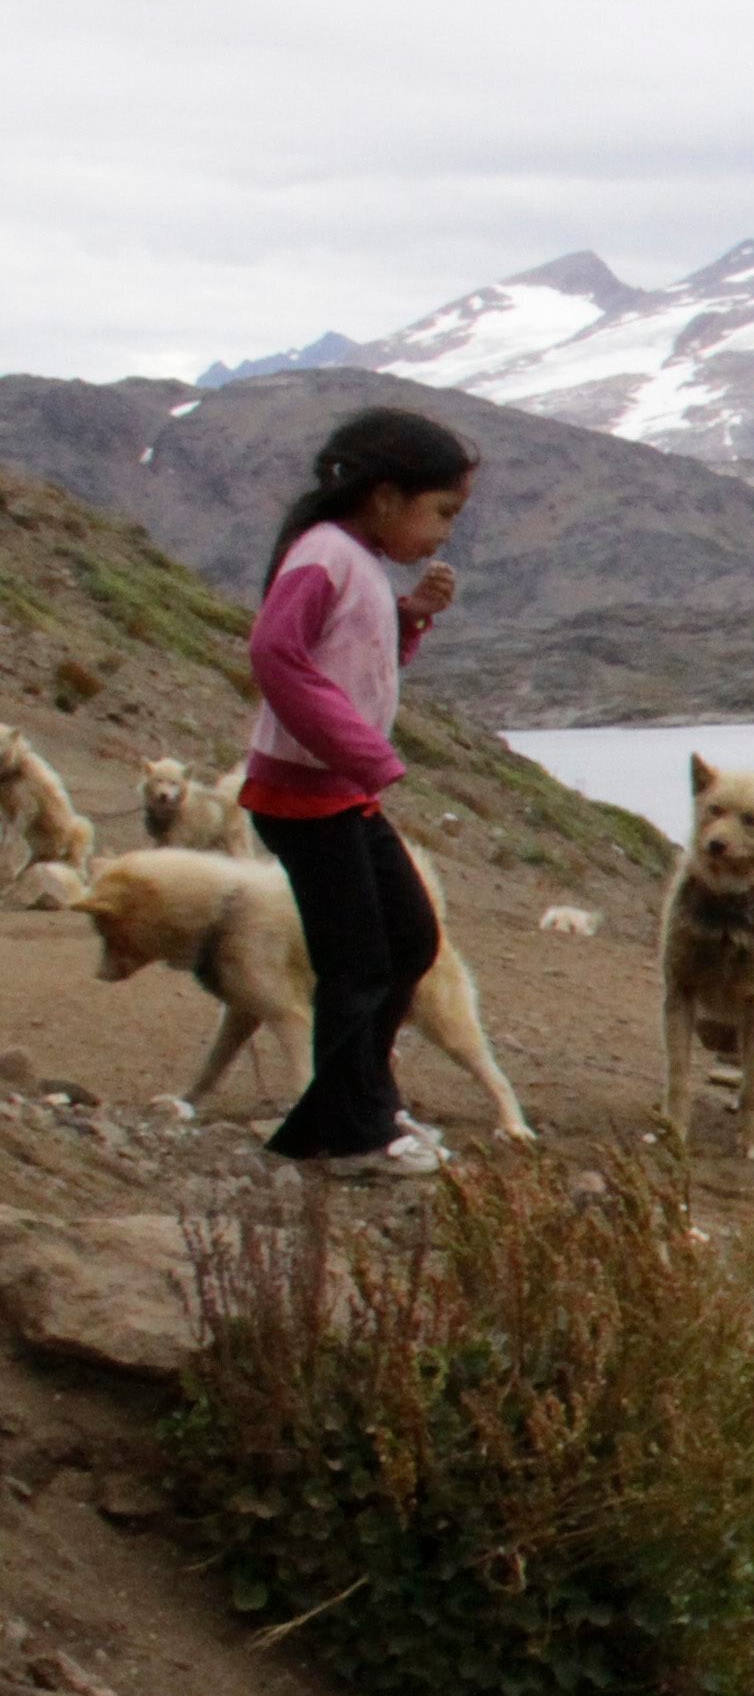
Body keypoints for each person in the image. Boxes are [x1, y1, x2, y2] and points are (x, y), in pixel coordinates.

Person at [239, 407, 476, 1178]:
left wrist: (412, 619)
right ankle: (350, 1135)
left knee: (407, 938)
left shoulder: (354, 560)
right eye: (441, 511)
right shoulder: (325, 554)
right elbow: (275, 652)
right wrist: (362, 753)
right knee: (359, 962)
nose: (445, 532)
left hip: (337, 795)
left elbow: (349, 653)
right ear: (383, 496)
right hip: (304, 795)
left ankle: (352, 1109)